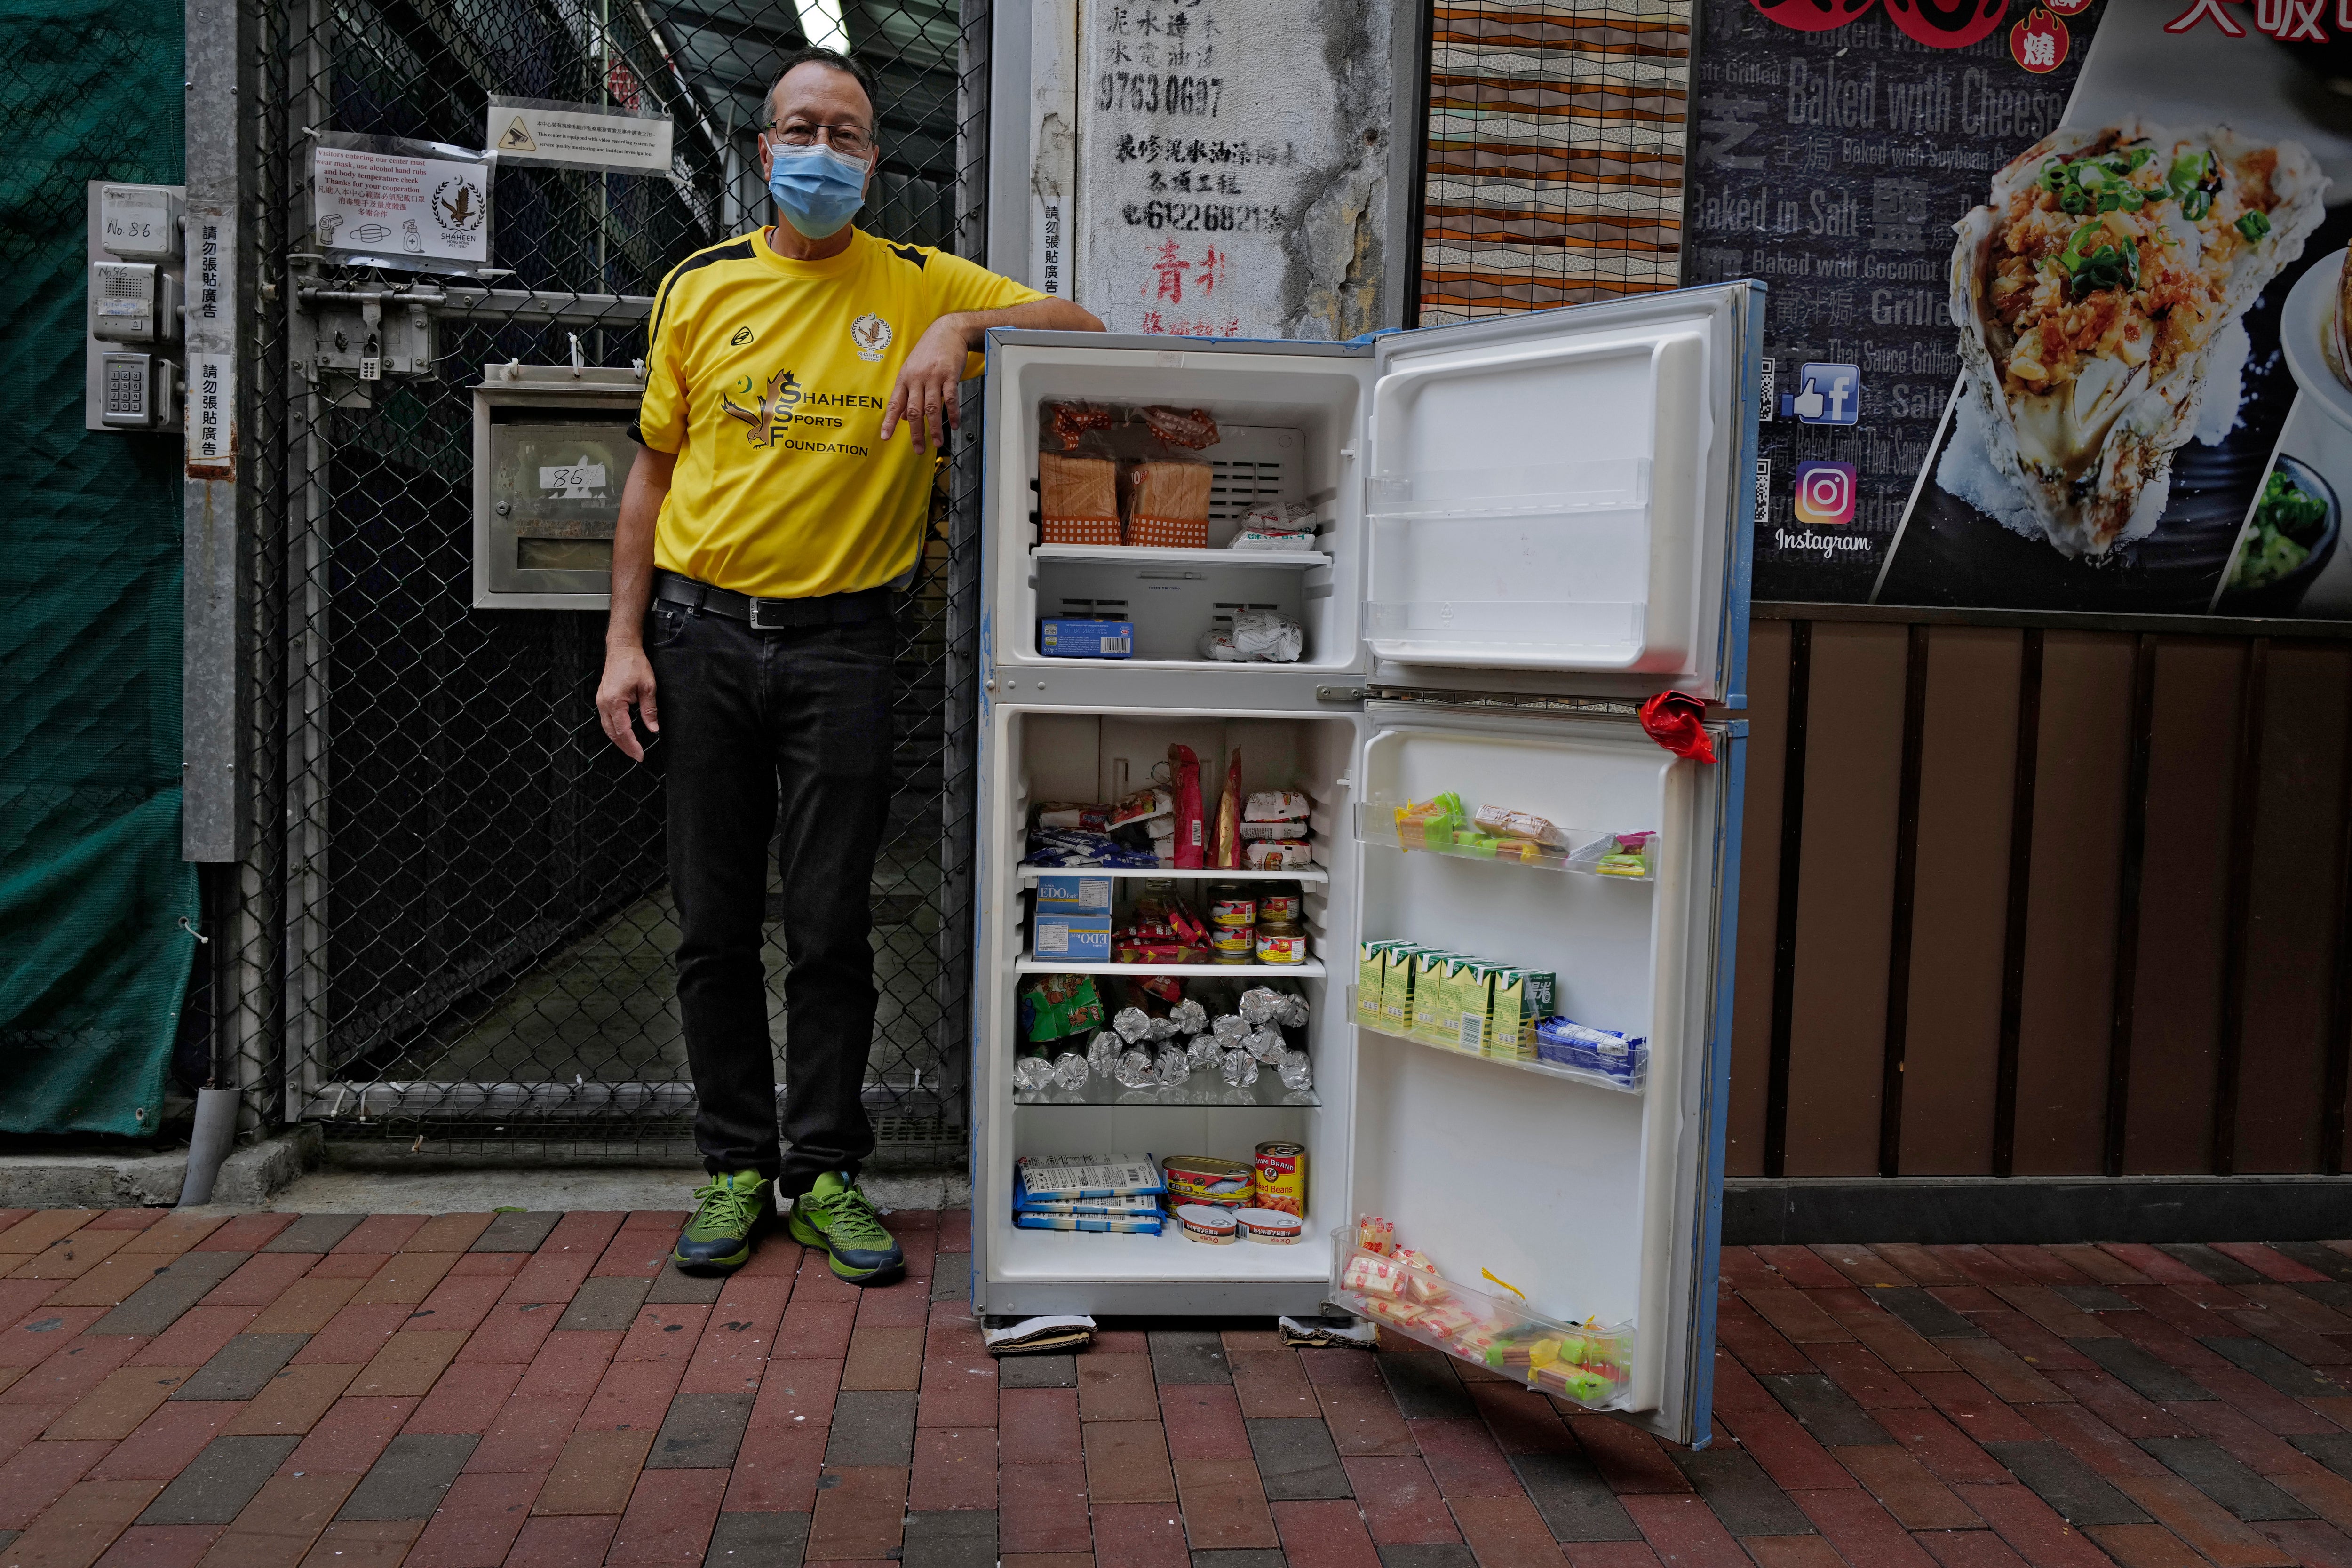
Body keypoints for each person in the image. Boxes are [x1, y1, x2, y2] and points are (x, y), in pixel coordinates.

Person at [594, 47, 1103, 1283]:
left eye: (850, 133)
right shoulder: (699, 288)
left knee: (829, 922)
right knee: (712, 922)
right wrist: (622, 643)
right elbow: (652, 476)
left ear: (875, 161)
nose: (825, 152)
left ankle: (821, 1170)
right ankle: (732, 1165)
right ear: (767, 150)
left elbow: (1083, 325)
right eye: (802, 129)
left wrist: (963, 330)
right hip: (704, 634)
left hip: (845, 646)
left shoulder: (920, 279)